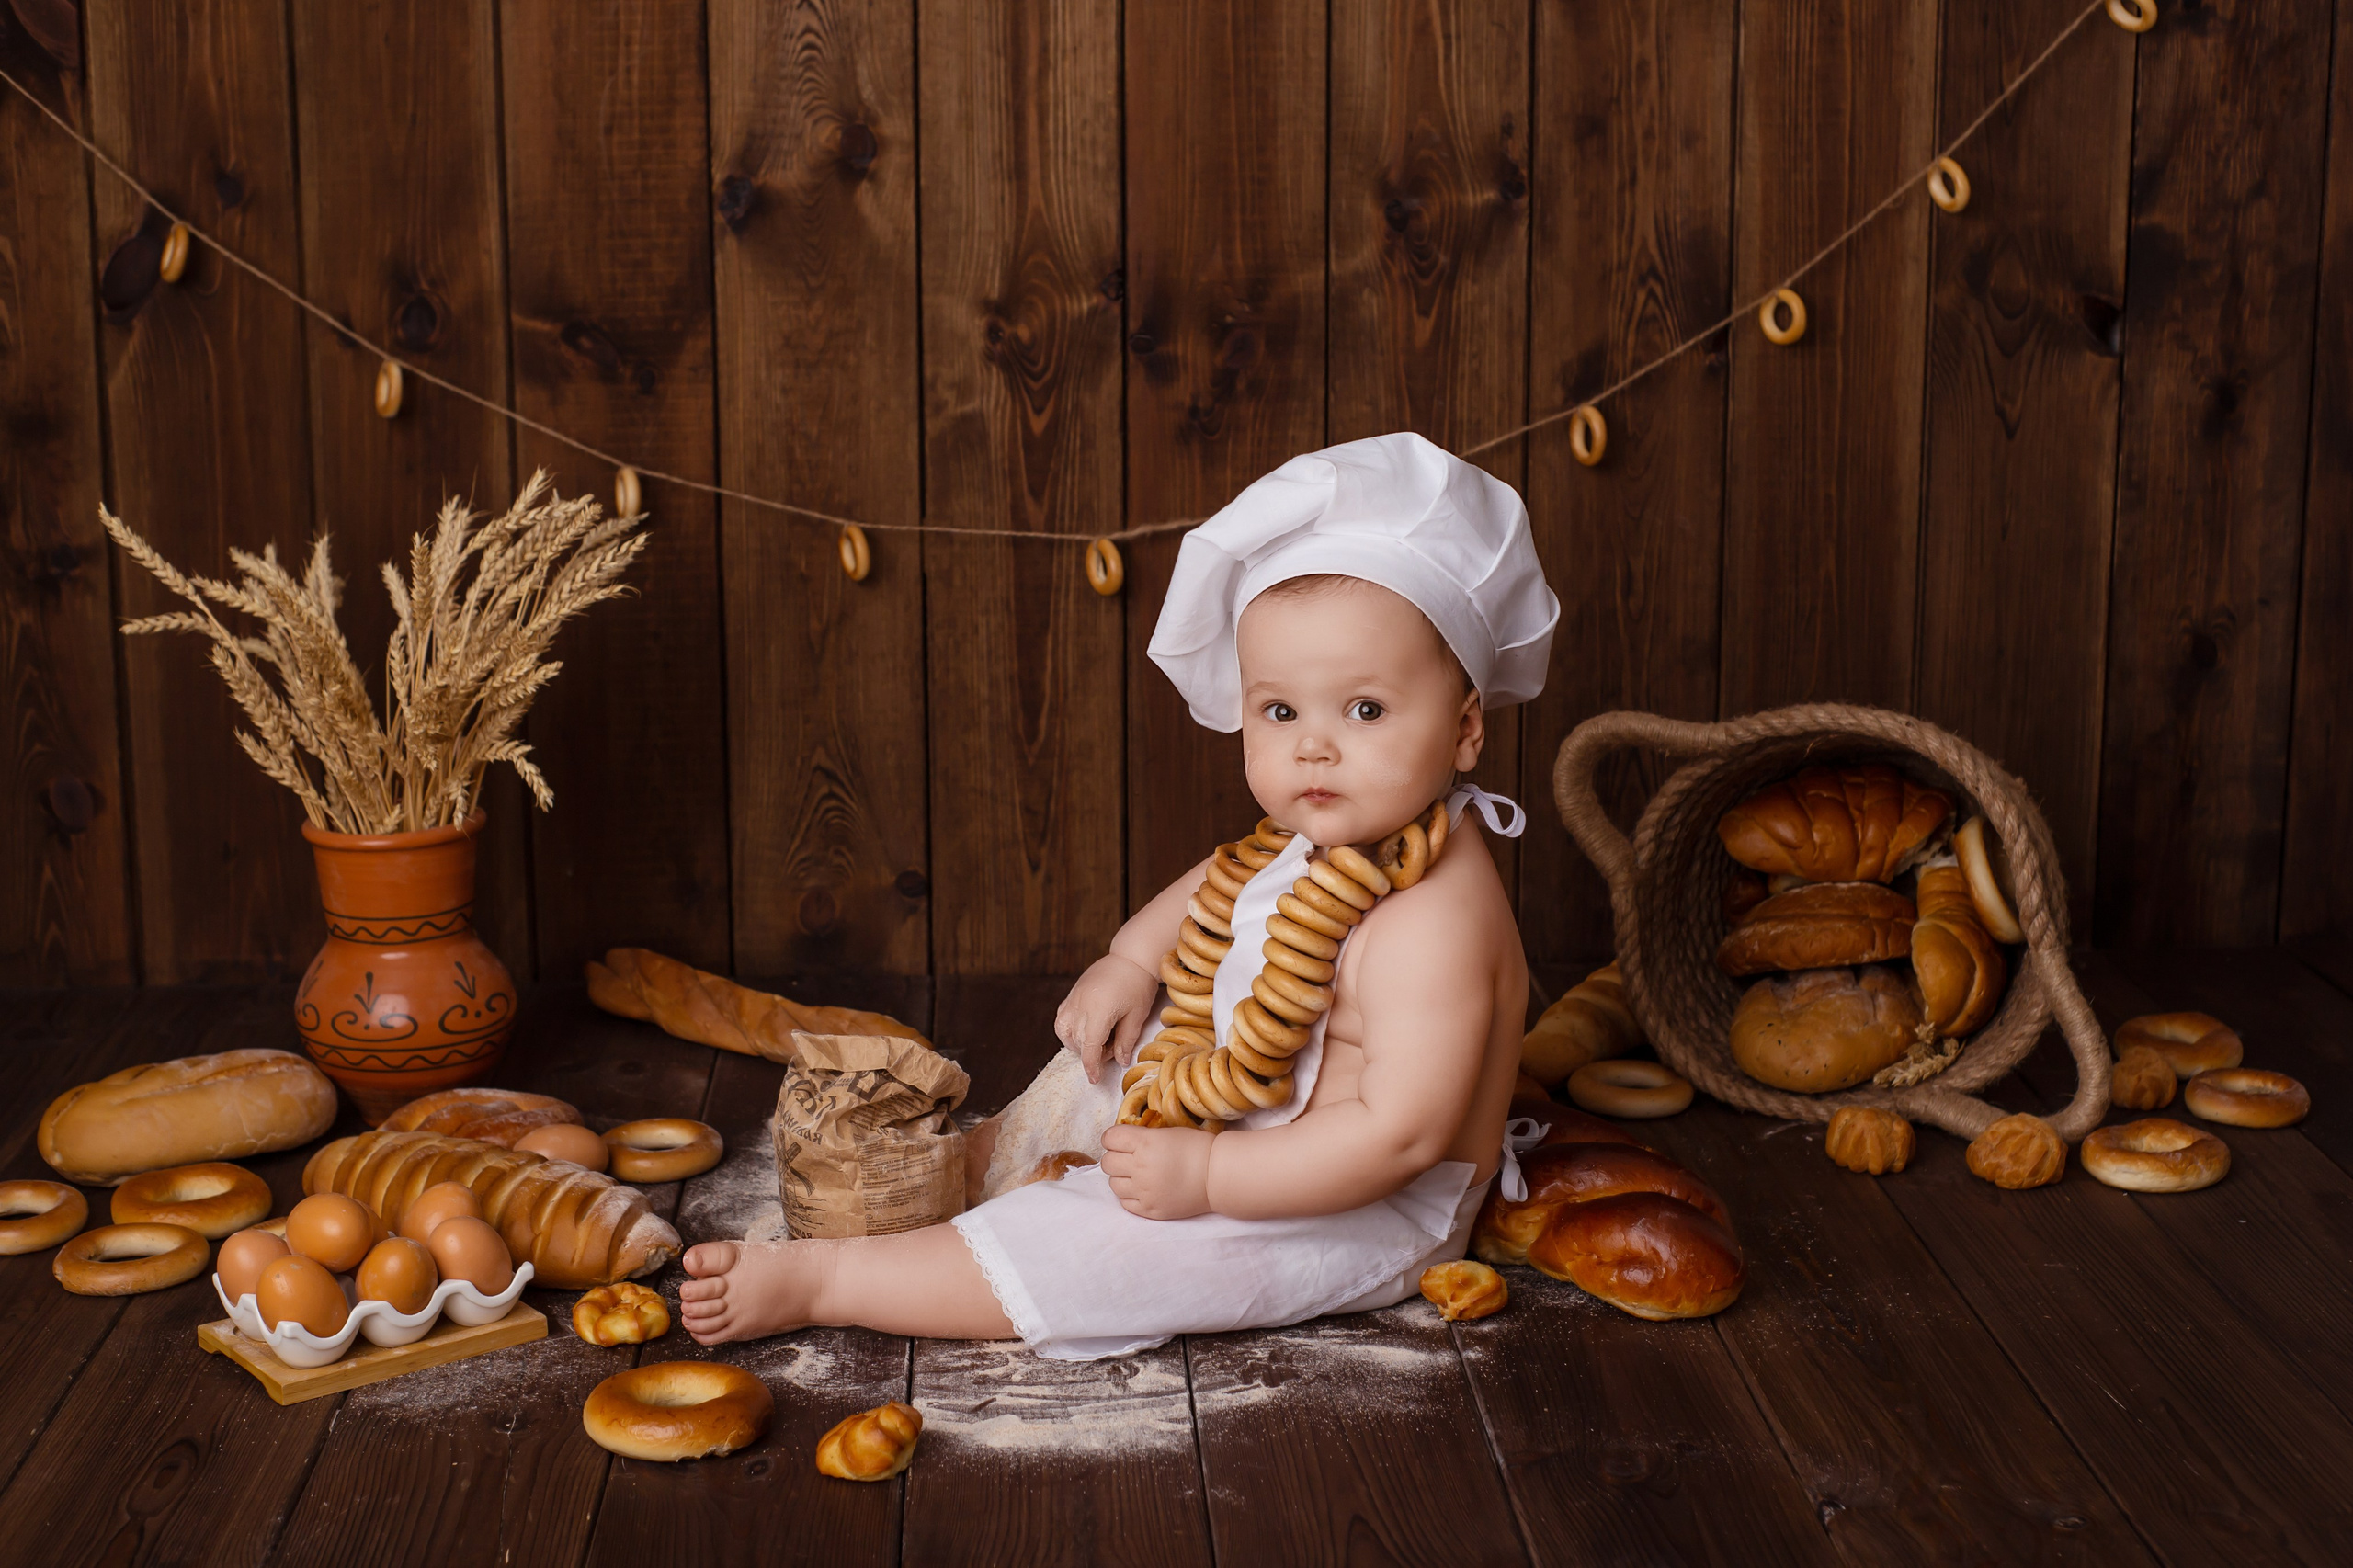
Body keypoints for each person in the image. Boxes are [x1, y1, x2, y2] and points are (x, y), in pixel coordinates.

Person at [679, 432, 1560, 1356]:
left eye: (1366, 709)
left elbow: (1399, 1139)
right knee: (1113, 1054)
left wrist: (1211, 1176)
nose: (1313, 745)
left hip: (1355, 1205)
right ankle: (985, 1166)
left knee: (1107, 1252)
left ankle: (835, 1278)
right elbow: (1223, 879)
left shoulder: (1437, 921)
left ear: (1465, 728)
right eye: (1279, 710)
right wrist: (1132, 960)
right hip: (1239, 1112)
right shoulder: (1335, 829)